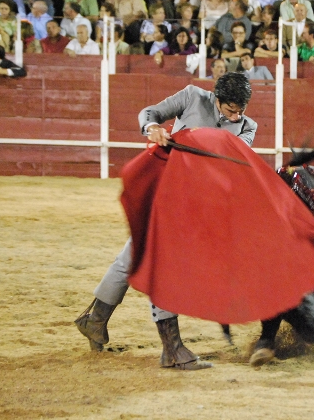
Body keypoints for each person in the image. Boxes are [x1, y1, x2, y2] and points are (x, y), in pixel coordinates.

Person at [74, 73, 257, 371]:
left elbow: (233, 162)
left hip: (198, 204)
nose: (236, 116)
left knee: (133, 256)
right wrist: (154, 128)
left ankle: (95, 320)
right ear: (217, 98)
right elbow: (150, 113)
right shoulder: (192, 97)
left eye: (241, 110)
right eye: (230, 109)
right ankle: (171, 348)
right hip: (165, 189)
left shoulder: (248, 127)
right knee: (166, 262)